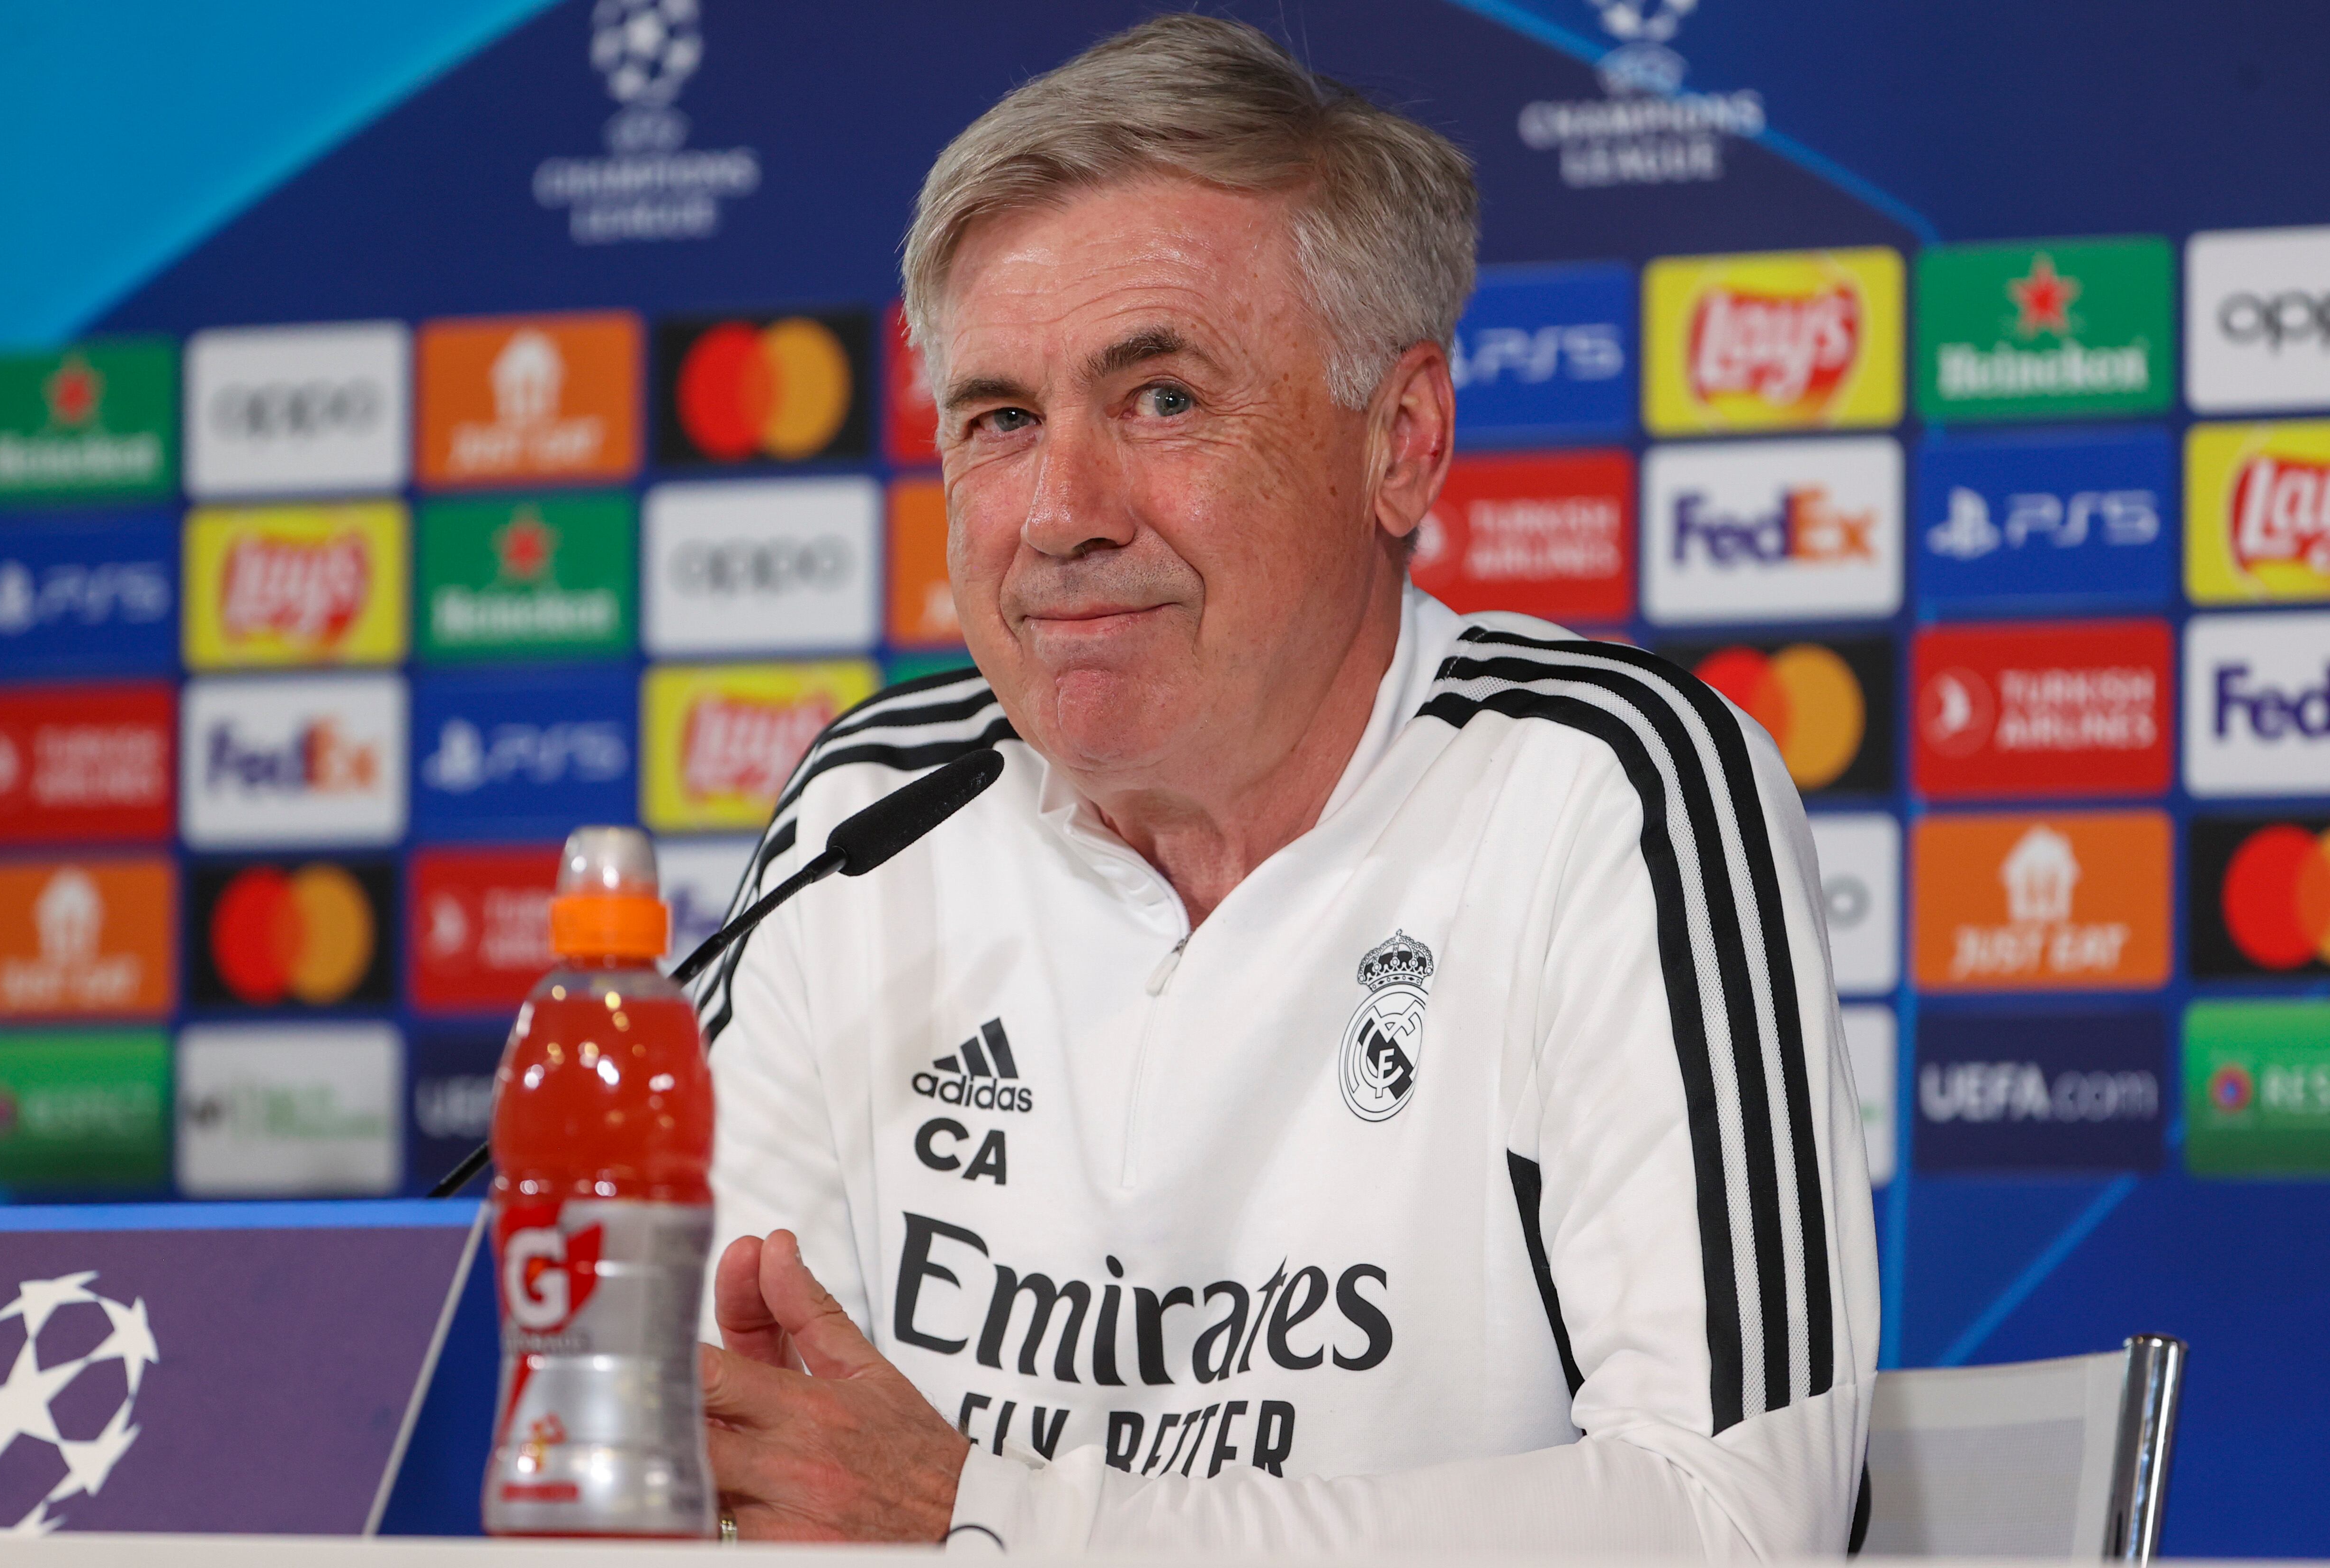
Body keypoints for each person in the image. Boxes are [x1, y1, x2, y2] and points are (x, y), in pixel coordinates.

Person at [694, 14, 1876, 1554]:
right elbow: (713, 1461)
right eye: (1000, 421)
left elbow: (1741, 1523)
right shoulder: (862, 820)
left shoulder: (1611, 795)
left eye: (1163, 399)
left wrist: (999, 1525)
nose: (1062, 513)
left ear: (1403, 443)